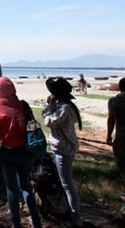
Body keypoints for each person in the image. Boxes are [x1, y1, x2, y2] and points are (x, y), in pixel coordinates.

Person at [0, 76, 42, 228]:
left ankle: (16, 223)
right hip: (24, 152)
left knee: (11, 189)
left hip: (7, 153)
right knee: (26, 187)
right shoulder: (22, 106)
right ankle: (36, 222)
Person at [42, 77, 83, 226]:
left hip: (63, 149)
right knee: (64, 182)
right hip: (64, 148)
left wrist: (49, 106)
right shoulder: (66, 106)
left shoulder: (63, 108)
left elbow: (49, 121)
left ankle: (75, 216)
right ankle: (69, 211)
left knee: (67, 184)